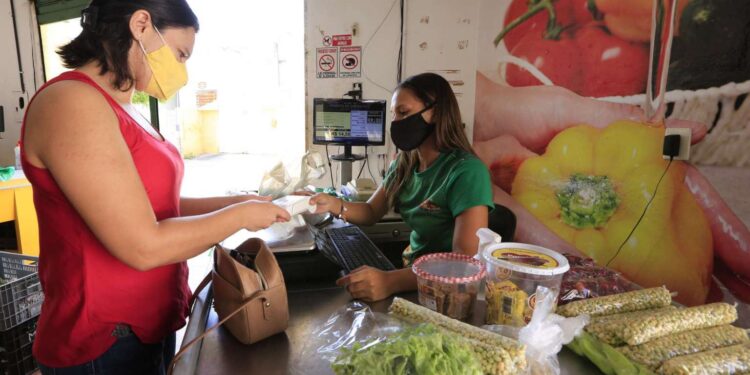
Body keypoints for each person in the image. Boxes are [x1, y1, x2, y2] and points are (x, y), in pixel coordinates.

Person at [21, 1, 290, 373]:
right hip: (102, 339)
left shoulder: (125, 105)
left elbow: (157, 205)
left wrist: (240, 200)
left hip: (148, 325)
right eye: (180, 54)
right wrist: (240, 216)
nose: (182, 69)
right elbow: (142, 245)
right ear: (141, 24)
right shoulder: (72, 103)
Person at [310, 73, 494, 302]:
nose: (396, 122)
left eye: (404, 112)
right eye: (394, 115)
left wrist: (390, 281)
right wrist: (334, 204)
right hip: (410, 273)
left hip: (444, 290)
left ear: (436, 112)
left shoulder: (467, 172)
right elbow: (370, 212)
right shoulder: (405, 163)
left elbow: (463, 262)